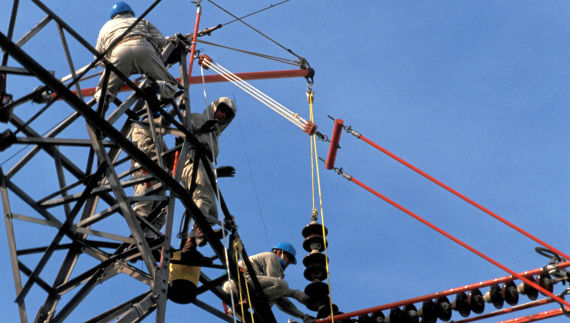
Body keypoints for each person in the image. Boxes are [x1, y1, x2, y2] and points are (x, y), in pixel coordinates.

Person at [180, 97, 236, 254]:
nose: (222, 115)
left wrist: (216, 172)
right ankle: (199, 232)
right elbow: (183, 133)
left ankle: (194, 238)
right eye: (221, 110)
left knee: (212, 210)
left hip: (203, 168)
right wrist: (200, 129)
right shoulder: (197, 118)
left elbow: (207, 159)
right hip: (190, 162)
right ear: (214, 107)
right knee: (202, 197)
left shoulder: (215, 138)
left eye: (226, 114)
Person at [94, 1, 178, 105]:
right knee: (170, 85)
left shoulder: (106, 27)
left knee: (104, 90)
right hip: (144, 48)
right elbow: (161, 42)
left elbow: (98, 57)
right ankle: (155, 87)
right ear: (130, 12)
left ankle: (103, 103)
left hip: (119, 52)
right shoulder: (141, 21)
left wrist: (115, 67)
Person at [223, 243, 315, 322]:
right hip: (238, 284)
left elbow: (280, 299)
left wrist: (303, 316)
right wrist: (297, 294)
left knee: (276, 294)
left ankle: (246, 312)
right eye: (289, 259)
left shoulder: (266, 270)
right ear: (279, 252)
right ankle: (248, 306)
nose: (288, 263)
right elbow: (280, 287)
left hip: (235, 288)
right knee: (282, 285)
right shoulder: (272, 257)